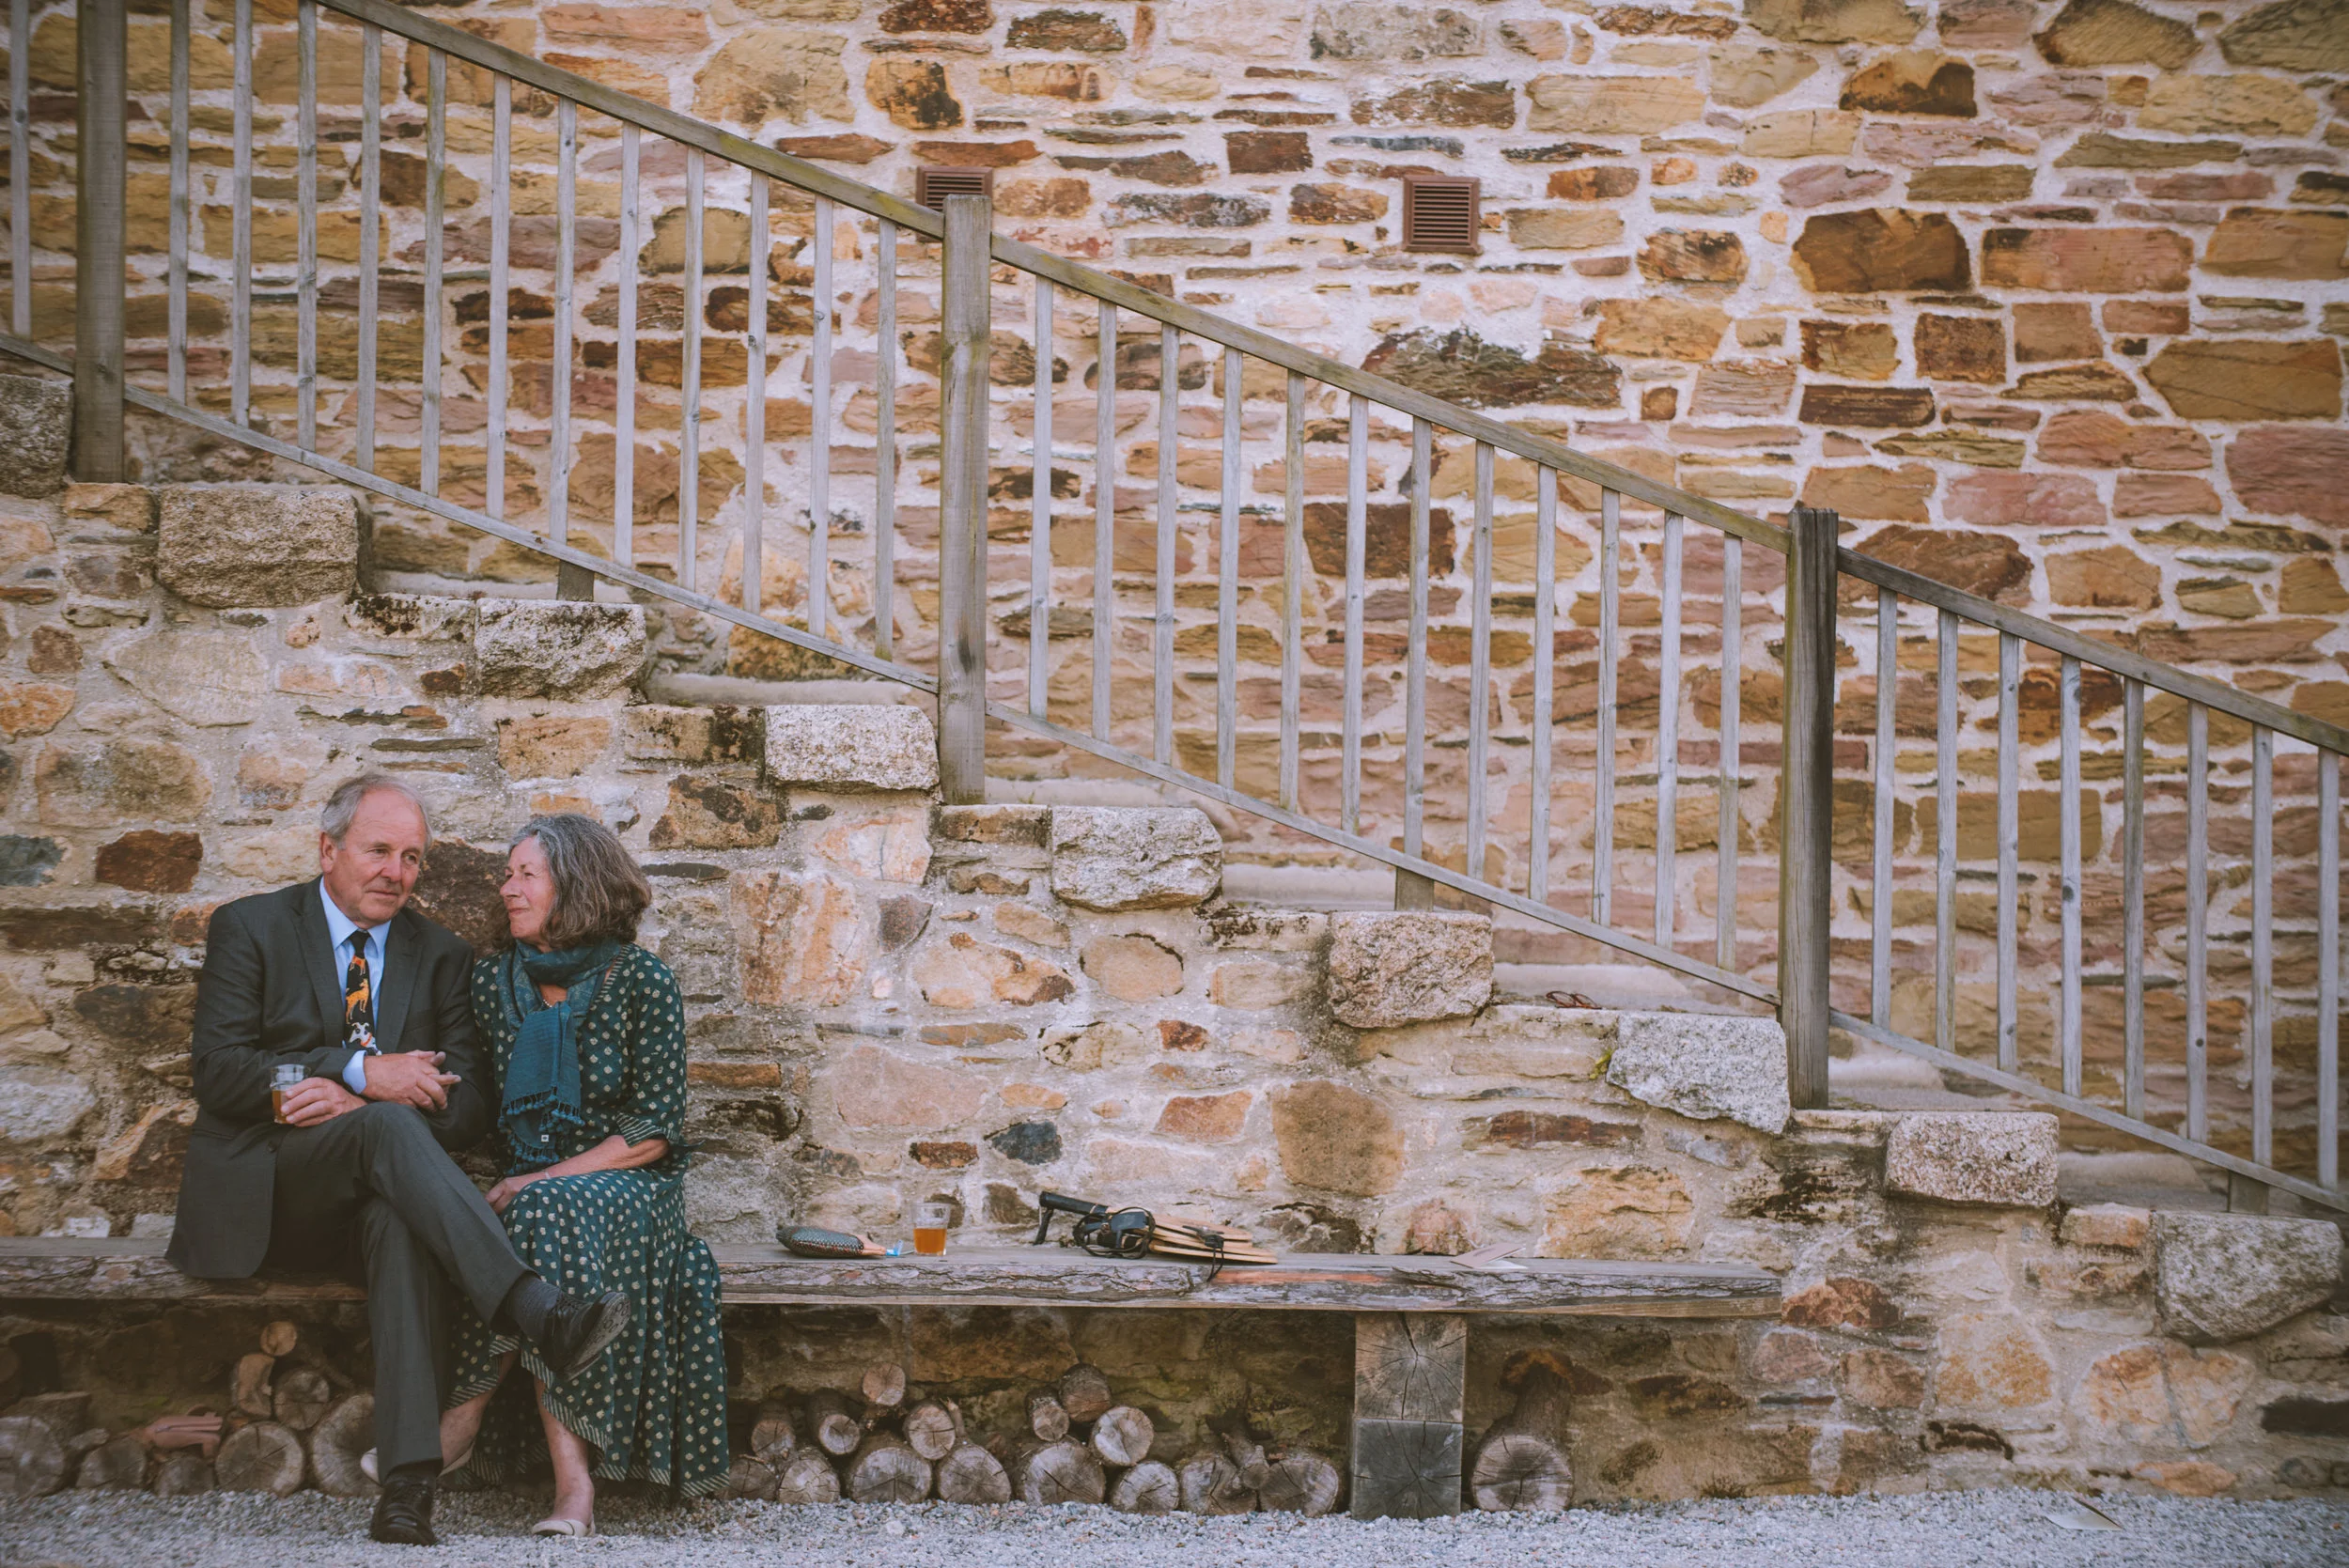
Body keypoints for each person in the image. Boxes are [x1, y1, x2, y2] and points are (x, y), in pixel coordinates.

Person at [169, 774, 632, 1546]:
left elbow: (472, 1104)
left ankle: (408, 1490)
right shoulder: (251, 927)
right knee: (384, 1124)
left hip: (381, 1198)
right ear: (328, 849)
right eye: (378, 850)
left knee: (397, 1213)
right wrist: (358, 1072)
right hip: (271, 1187)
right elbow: (220, 1071)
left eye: (412, 856)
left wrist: (379, 1101)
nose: (396, 871)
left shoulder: (441, 955)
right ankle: (533, 1309)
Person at [434, 814, 728, 1534]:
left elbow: (653, 1132)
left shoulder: (642, 981)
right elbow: (468, 1095)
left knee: (542, 1208)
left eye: (525, 874)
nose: (507, 888)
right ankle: (574, 1488)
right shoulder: (492, 981)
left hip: (633, 1189)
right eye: (508, 874)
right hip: (533, 1192)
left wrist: (540, 1180)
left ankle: (463, 1424)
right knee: (533, 1213)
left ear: (577, 884)